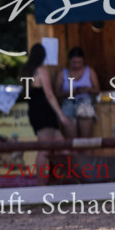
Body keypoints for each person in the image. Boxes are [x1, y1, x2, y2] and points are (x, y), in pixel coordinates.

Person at [23, 44, 74, 184]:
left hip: (34, 111)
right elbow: (50, 95)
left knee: (63, 148)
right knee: (44, 150)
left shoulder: (27, 71)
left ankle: (67, 180)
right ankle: (41, 185)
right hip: (44, 112)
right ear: (43, 56)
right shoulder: (41, 71)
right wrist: (61, 116)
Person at [55, 46, 99, 138]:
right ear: (69, 61)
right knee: (72, 142)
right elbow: (57, 94)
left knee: (85, 140)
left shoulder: (89, 71)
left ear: (83, 61)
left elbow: (97, 90)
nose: (77, 65)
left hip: (85, 103)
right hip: (68, 104)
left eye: (79, 62)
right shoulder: (62, 74)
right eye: (74, 62)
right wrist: (73, 92)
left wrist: (88, 89)